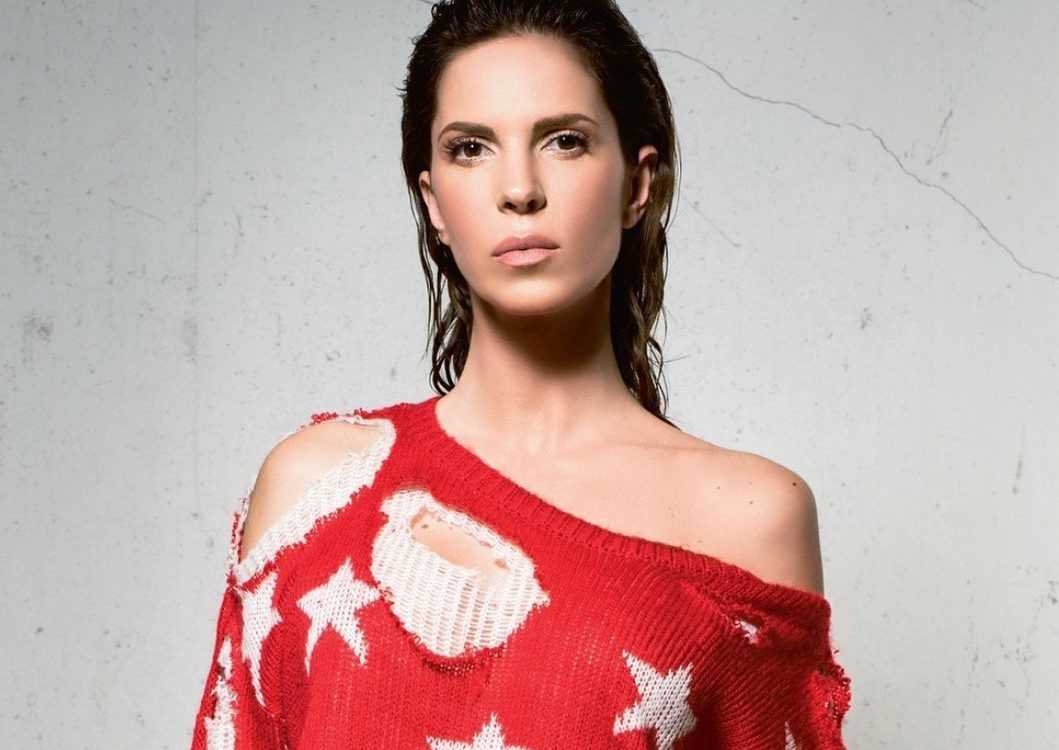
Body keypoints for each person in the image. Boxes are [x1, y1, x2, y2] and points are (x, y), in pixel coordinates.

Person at [188, 1, 852, 748]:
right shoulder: (317, 490)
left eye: (564, 141)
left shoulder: (748, 516)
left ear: (637, 185)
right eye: (471, 148)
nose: (519, 189)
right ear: (434, 202)